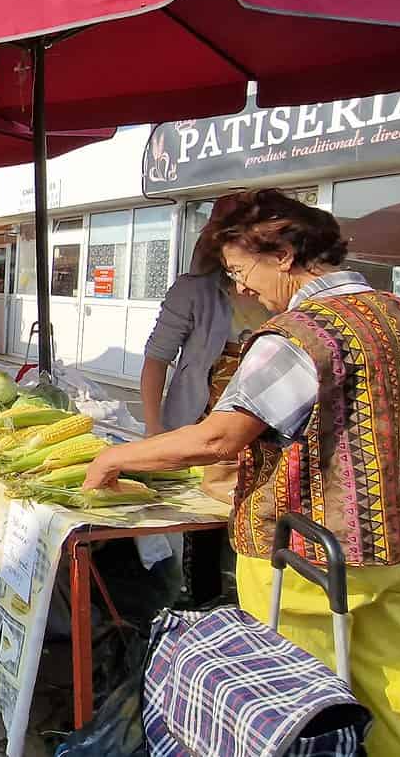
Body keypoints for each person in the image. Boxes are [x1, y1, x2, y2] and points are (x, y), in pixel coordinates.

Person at [82, 189, 400, 757]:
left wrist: (114, 456)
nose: (240, 287)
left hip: (318, 552)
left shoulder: (302, 334)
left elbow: (220, 437)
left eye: (240, 269)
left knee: (302, 707)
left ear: (283, 255)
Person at [140, 193, 271, 602]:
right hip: (200, 427)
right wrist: (154, 428)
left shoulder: (284, 298)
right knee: (201, 524)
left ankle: (242, 600)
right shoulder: (194, 292)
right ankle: (200, 600)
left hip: (257, 433)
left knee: (249, 521)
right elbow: (156, 359)